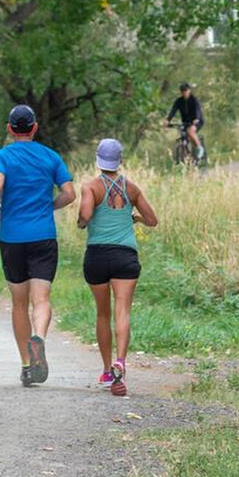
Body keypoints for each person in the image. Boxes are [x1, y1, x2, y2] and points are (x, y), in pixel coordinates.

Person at [0, 104, 76, 386]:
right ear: (35, 127)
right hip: (43, 236)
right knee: (42, 299)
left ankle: (27, 365)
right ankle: (39, 337)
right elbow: (70, 193)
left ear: (10, 129)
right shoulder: (50, 157)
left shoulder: (1, 157)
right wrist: (50, 206)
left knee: (18, 303)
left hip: (12, 238)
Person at [76, 138, 158, 397]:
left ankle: (106, 369)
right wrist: (134, 218)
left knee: (103, 314)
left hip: (98, 256)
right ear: (119, 160)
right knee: (122, 311)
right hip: (125, 256)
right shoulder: (132, 188)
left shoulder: (90, 187)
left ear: (98, 159)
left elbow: (86, 215)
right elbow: (152, 220)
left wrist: (81, 222)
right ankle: (120, 362)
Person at [165, 82, 205, 161]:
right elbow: (173, 111)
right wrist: (167, 120)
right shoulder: (179, 101)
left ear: (189, 90)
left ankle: (199, 147)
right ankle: (185, 157)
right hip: (185, 122)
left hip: (197, 121)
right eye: (182, 91)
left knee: (190, 131)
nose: (184, 92)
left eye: (186, 90)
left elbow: (197, 110)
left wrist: (196, 118)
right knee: (183, 135)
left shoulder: (194, 100)